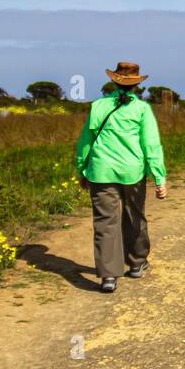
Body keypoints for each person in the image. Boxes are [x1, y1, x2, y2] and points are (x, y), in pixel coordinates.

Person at [74, 62, 167, 292]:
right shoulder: (142, 110)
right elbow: (151, 145)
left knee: (105, 223)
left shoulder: (97, 106)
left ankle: (108, 277)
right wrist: (159, 177)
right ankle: (137, 264)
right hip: (132, 171)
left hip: (101, 171)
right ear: (137, 85)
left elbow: (86, 142)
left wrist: (82, 169)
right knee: (134, 215)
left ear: (114, 81)